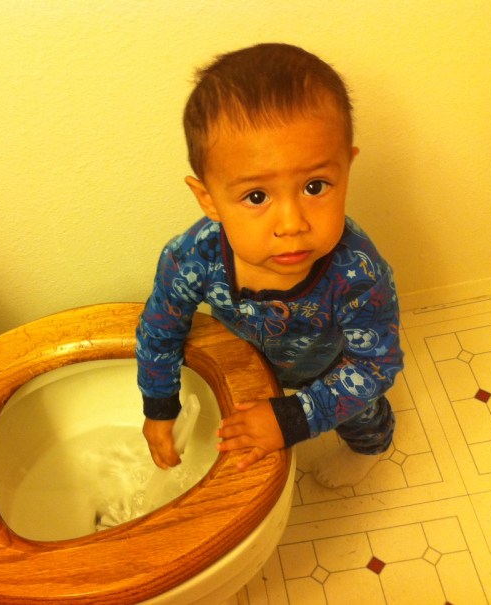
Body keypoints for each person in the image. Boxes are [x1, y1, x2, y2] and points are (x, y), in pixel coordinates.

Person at [136, 43, 403, 488]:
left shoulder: (357, 272)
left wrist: (293, 418)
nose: (292, 224)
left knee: (364, 414)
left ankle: (371, 448)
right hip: (252, 363)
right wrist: (159, 405)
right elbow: (161, 329)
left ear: (347, 169)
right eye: (256, 197)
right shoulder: (192, 258)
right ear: (208, 199)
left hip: (332, 365)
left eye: (316, 186)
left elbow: (376, 364)